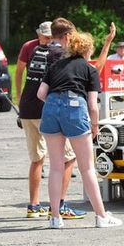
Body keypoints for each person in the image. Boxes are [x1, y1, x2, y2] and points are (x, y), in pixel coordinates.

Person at [37, 19, 122, 229]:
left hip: (50, 108)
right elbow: (93, 105)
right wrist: (95, 127)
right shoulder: (89, 70)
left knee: (56, 167)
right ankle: (101, 216)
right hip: (75, 108)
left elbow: (41, 94)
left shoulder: (55, 65)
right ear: (86, 51)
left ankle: (55, 218)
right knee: (87, 169)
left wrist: (56, 104)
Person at [16, 21, 82, 219]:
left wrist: (19, 99)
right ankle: (59, 205)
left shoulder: (34, 49)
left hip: (28, 109)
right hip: (46, 109)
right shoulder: (60, 54)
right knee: (68, 157)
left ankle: (34, 206)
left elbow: (23, 72)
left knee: (38, 159)